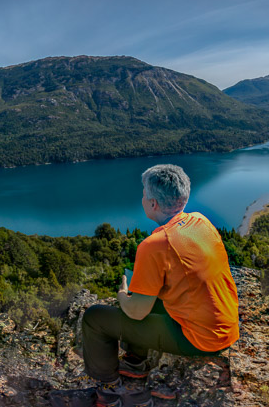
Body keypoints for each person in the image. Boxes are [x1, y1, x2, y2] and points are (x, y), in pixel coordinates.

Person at [78, 164, 239, 405]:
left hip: (202, 340)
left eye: (144, 193)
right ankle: (135, 362)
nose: (142, 198)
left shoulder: (155, 245)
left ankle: (109, 388)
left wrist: (122, 295)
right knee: (148, 292)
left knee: (95, 317)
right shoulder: (200, 221)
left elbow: (137, 311)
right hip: (226, 326)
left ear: (153, 204)